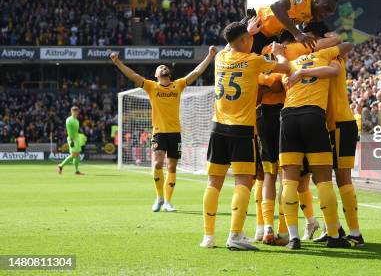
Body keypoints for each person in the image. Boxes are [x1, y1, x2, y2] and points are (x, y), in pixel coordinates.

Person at [201, 22, 290, 251]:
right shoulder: (253, 61)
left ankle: (208, 237)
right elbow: (284, 68)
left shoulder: (220, 57)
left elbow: (230, 45)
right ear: (244, 41)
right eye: (250, 39)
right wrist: (278, 54)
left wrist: (246, 32)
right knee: (243, 182)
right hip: (241, 130)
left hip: (217, 127)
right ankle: (235, 235)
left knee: (213, 184)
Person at [110, 47, 216, 212]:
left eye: (165, 67)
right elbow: (133, 75)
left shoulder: (178, 85)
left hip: (175, 133)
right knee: (158, 163)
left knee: (172, 167)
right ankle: (159, 197)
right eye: (160, 67)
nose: (163, 67)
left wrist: (210, 56)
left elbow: (195, 72)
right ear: (156, 75)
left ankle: (167, 201)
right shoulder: (152, 87)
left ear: (169, 74)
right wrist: (118, 63)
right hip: (159, 132)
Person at [280, 41, 353, 249]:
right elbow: (347, 44)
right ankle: (333, 235)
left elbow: (279, 66)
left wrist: (278, 54)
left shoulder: (292, 62)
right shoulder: (324, 54)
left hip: (288, 117)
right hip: (313, 115)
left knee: (289, 181)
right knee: (323, 180)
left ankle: (293, 238)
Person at [249, 0, 339, 54]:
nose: (326, 14)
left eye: (330, 12)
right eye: (326, 8)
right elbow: (276, 6)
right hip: (257, 26)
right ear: (317, 0)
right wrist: (296, 33)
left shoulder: (313, 13)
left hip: (271, 35)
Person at [57, 106, 84, 175]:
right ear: (71, 112)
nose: (76, 113)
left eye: (77, 112)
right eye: (74, 112)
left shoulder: (77, 120)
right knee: (73, 154)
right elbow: (68, 131)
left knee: (77, 155)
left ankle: (77, 170)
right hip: (72, 139)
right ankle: (61, 165)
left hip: (77, 139)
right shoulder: (69, 120)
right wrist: (71, 140)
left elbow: (76, 131)